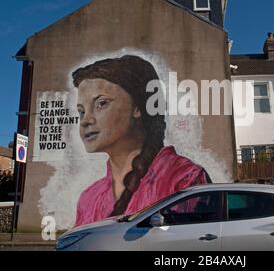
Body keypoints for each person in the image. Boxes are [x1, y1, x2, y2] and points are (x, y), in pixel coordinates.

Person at [72, 55, 211, 227]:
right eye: (81, 111)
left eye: (101, 103)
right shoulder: (89, 198)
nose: (86, 120)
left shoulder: (184, 178)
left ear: (137, 107)